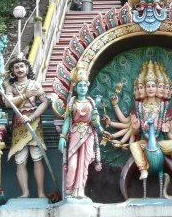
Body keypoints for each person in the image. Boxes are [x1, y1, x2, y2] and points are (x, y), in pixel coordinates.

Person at [105, 61, 172, 180]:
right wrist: (117, 106)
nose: (150, 89)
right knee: (133, 146)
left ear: (159, 87)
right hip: (144, 143)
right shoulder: (138, 106)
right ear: (142, 88)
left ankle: (153, 150)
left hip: (160, 144)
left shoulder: (165, 106)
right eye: (147, 86)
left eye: (153, 85)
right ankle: (142, 169)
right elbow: (125, 122)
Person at [5, 56, 49, 198]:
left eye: (22, 66)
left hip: (33, 122)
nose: (19, 69)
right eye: (16, 67)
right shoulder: (11, 87)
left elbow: (44, 102)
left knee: (37, 157)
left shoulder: (35, 84)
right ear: (12, 70)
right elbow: (8, 103)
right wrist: (24, 96)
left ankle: (41, 193)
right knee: (20, 159)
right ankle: (25, 192)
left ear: (27, 68)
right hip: (19, 123)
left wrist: (32, 117)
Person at [58, 69, 104, 198]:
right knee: (72, 164)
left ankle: (80, 190)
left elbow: (95, 120)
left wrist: (99, 126)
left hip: (88, 134)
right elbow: (68, 119)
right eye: (80, 85)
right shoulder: (72, 102)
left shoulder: (91, 102)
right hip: (74, 133)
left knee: (84, 165)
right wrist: (62, 136)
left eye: (84, 85)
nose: (83, 88)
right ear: (76, 87)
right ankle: (68, 191)